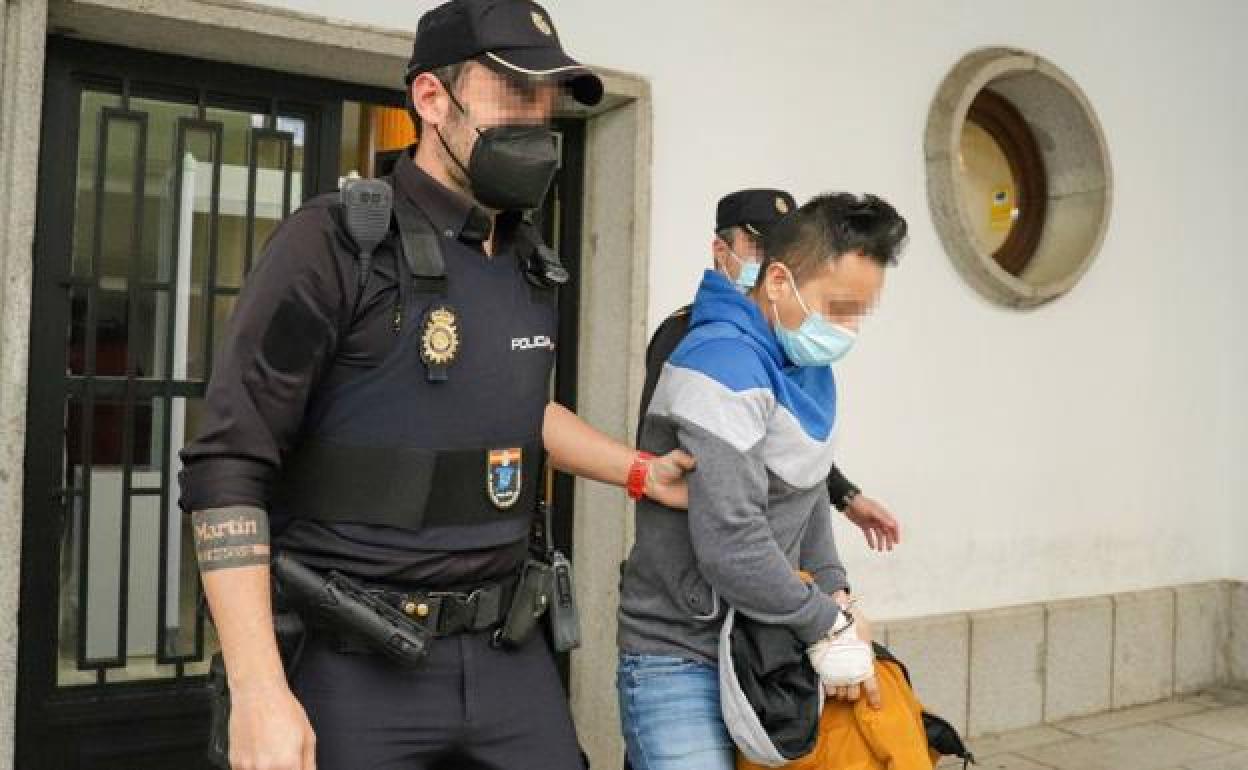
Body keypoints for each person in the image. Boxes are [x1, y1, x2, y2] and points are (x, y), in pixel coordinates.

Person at [179, 2, 692, 769]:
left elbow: (516, 411)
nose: (537, 118)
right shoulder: (331, 245)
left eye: (546, 98)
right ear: (430, 97)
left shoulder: (529, 262)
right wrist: (258, 690)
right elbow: (228, 463)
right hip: (354, 657)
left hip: (508, 652)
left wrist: (641, 471)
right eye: (514, 90)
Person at [617, 193, 909, 770]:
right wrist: (828, 623)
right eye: (840, 307)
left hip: (766, 648)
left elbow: (807, 496)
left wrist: (837, 594)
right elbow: (733, 543)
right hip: (681, 655)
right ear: (778, 281)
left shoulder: (804, 369)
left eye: (860, 312)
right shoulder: (720, 362)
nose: (848, 329)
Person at [639, 189, 902, 552]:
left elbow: (786, 449)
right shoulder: (698, 341)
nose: (771, 259)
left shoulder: (790, 339)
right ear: (721, 252)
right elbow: (661, 458)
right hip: (700, 561)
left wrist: (845, 497)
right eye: (759, 247)